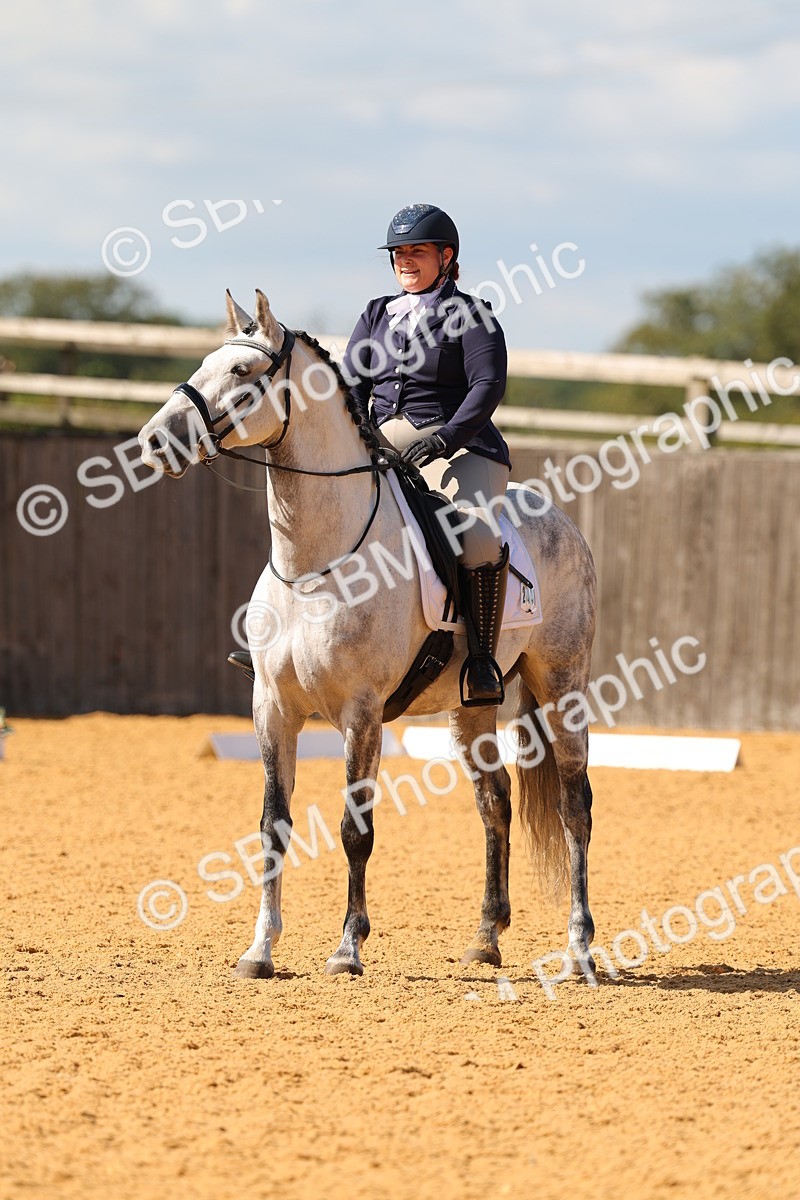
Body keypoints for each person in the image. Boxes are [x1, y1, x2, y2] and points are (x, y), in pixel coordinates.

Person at [342, 203, 511, 705]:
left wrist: (445, 439)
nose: (404, 260)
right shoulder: (376, 313)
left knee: (477, 535)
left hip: (457, 446)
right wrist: (360, 435)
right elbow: (352, 385)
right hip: (383, 444)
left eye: (416, 251)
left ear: (446, 256)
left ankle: (481, 661)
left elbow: (486, 386)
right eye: (398, 252)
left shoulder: (471, 315)